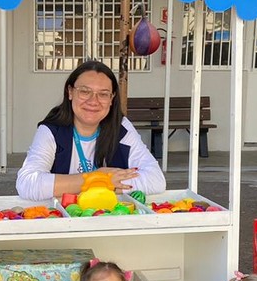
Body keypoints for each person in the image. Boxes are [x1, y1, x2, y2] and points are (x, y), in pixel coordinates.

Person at [15, 59, 165, 202]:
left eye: (103, 94)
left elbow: (156, 180)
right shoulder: (51, 130)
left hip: (108, 214)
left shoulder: (121, 127)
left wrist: (74, 185)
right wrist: (99, 179)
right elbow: (27, 183)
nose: (93, 101)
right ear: (70, 92)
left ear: (112, 98)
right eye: (85, 92)